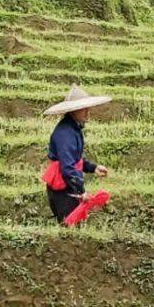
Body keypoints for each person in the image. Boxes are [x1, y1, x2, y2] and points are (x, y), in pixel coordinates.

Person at [39, 85, 114, 227]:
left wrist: (93, 168)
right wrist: (81, 191)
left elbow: (75, 160)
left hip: (68, 186)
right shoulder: (65, 133)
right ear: (74, 110)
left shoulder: (73, 128)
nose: (88, 112)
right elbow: (68, 167)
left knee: (73, 227)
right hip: (64, 188)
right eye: (84, 108)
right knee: (70, 228)